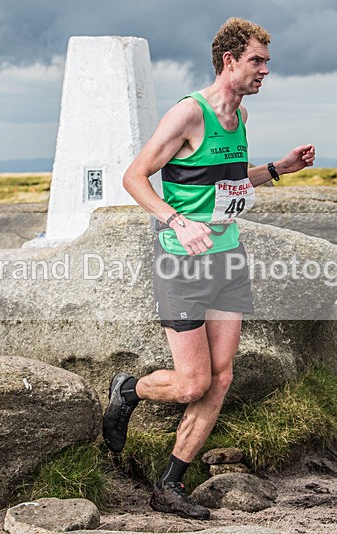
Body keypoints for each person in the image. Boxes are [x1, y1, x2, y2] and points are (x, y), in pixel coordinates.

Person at [103, 18, 315, 519]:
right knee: (193, 382)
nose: (266, 69)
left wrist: (280, 170)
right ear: (229, 62)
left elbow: (229, 182)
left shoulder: (238, 117)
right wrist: (176, 222)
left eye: (266, 60)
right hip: (183, 263)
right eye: (257, 61)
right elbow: (134, 177)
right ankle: (128, 389)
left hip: (228, 259)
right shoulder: (188, 113)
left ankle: (169, 484)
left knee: (221, 379)